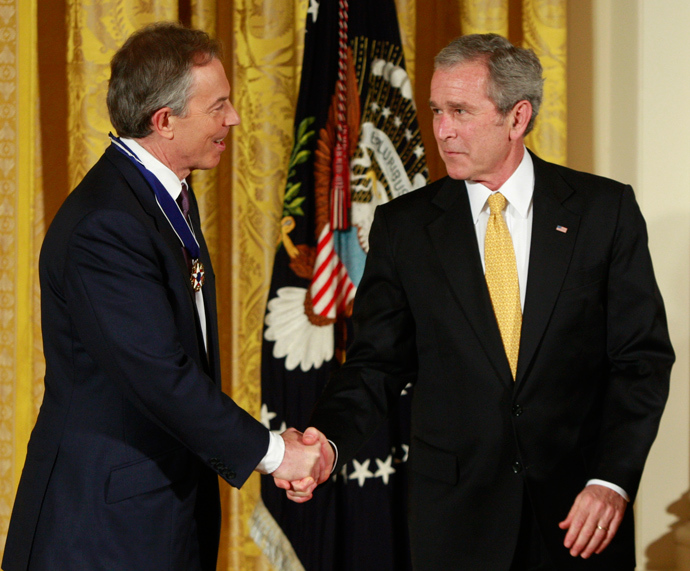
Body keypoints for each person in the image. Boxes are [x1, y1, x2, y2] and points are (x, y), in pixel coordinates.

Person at [278, 34, 674, 569]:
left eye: (460, 111)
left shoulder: (604, 212)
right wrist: (327, 442)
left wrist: (611, 480)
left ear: (517, 118)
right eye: (438, 110)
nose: (442, 129)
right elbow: (375, 363)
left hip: (579, 517)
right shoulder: (404, 227)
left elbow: (640, 362)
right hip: (456, 523)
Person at [2, 22, 330, 571]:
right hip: (101, 529)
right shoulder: (106, 224)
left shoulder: (161, 197)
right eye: (218, 105)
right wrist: (276, 453)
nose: (234, 118)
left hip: (156, 513)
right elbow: (160, 377)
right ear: (164, 121)